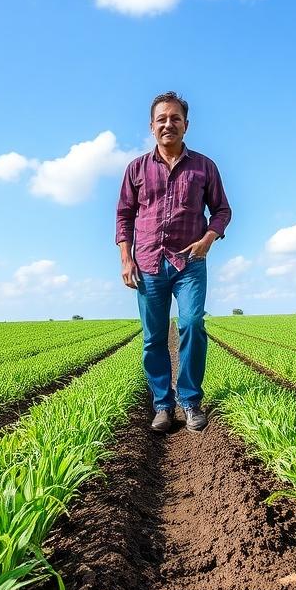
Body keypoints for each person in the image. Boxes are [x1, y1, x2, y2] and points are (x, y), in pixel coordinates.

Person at [115, 91, 232, 433]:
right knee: (153, 337)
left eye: (175, 118)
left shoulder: (204, 166)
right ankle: (163, 405)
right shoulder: (136, 168)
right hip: (147, 263)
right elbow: (124, 216)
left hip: (189, 262)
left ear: (186, 125)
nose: (169, 124)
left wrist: (208, 239)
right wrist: (126, 258)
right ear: (151, 126)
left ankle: (191, 401)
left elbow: (222, 210)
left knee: (192, 324)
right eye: (162, 119)